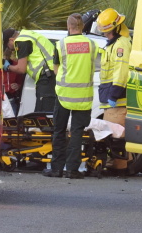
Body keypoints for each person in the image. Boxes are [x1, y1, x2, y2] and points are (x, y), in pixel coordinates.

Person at [44, 13, 97, 179]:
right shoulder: (92, 44)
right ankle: (72, 170)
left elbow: (56, 68)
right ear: (81, 27)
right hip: (83, 96)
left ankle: (56, 169)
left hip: (63, 95)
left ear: (69, 27)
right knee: (77, 132)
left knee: (59, 131)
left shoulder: (61, 44)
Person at [96, 8, 132, 176]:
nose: (106, 35)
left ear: (117, 28)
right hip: (111, 98)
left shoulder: (120, 45)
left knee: (115, 135)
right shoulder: (114, 43)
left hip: (117, 99)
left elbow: (121, 71)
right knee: (116, 134)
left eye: (108, 32)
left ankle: (119, 168)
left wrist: (114, 94)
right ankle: (123, 166)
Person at [5, 28, 57, 113]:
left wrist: (7, 66)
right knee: (44, 113)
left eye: (7, 45)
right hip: (50, 75)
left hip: (47, 77)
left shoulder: (21, 40)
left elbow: (21, 69)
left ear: (11, 40)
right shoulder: (29, 35)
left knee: (42, 115)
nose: (9, 48)